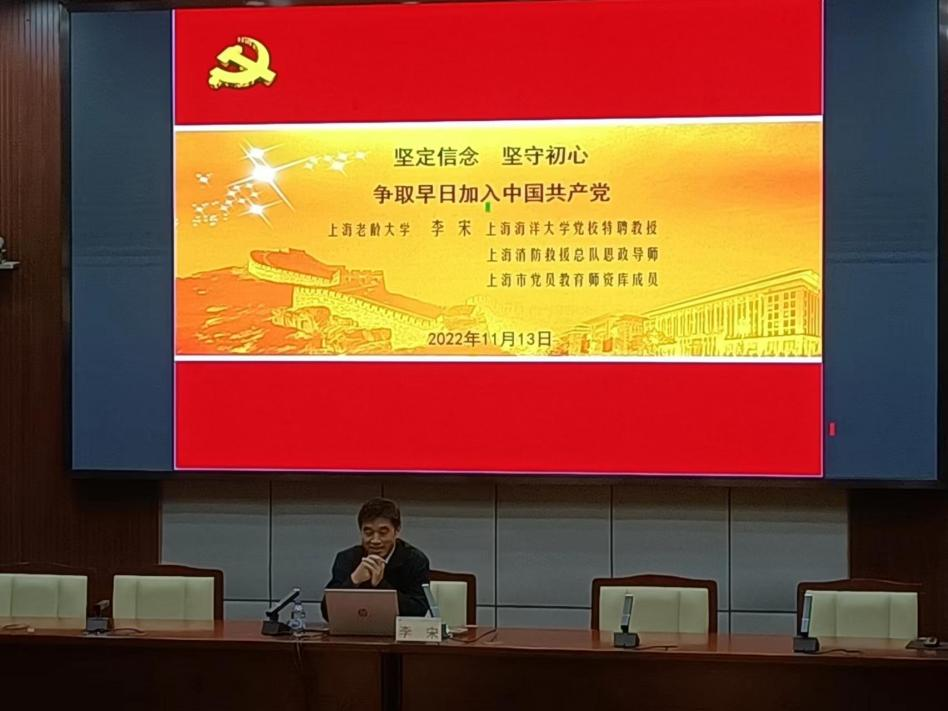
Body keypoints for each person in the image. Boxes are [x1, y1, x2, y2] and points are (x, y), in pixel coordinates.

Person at [321, 497, 430, 619]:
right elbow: (327, 613)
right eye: (368, 533)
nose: (375, 540)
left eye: (383, 533)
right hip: (355, 627)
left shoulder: (415, 560)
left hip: (397, 630)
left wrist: (381, 585)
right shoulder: (346, 558)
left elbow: (418, 611)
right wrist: (353, 580)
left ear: (397, 531)